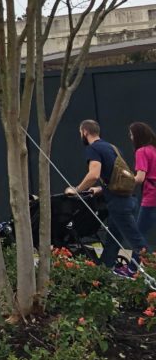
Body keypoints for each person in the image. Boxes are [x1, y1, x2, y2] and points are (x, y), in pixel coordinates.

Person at [67, 119, 148, 278]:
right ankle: (102, 273)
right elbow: (116, 177)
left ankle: (136, 271)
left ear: (85, 132)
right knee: (112, 239)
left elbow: (94, 174)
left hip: (119, 205)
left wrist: (76, 190)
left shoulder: (94, 149)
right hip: (129, 199)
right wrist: (99, 189)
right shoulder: (112, 148)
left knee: (139, 244)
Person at [131, 121, 156, 248]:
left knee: (139, 234)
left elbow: (140, 178)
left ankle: (132, 267)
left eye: (131, 135)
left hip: (151, 197)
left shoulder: (142, 151)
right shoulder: (154, 149)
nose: (131, 138)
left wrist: (125, 182)